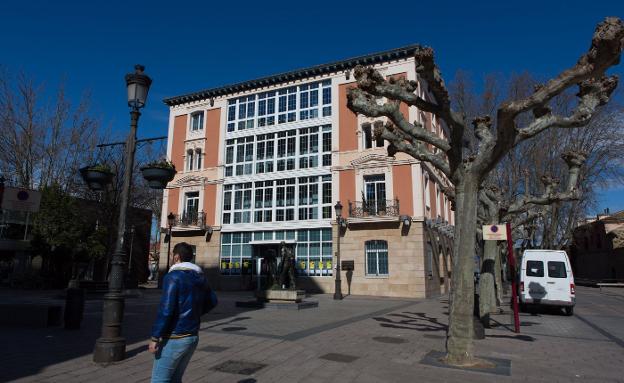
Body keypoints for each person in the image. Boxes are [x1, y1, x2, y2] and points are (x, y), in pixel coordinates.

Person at [149, 242, 217, 383]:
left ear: (176, 257)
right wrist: (195, 313)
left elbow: (166, 310)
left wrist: (155, 337)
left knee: (159, 379)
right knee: (175, 379)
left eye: (173, 255)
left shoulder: (173, 277)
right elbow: (213, 301)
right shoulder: (200, 277)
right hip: (192, 336)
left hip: (175, 337)